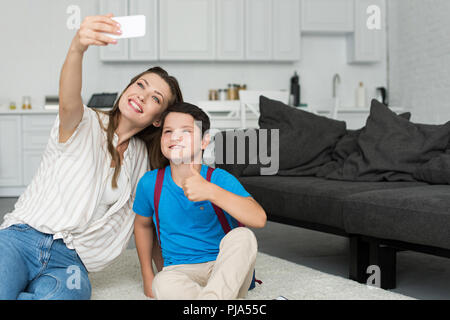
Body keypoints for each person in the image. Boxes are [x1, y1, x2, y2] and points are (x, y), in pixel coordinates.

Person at [0, 14, 182, 300]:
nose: (143, 96)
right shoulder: (85, 122)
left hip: (70, 262)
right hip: (20, 238)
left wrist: (160, 278)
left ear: (158, 120)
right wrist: (78, 47)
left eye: (156, 98)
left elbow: (148, 223)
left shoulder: (143, 163)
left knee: (68, 296)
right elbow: (68, 99)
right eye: (140, 85)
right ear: (128, 88)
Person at [133, 103, 267, 299]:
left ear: (204, 142)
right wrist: (147, 275)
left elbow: (258, 218)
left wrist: (212, 192)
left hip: (223, 266)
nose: (175, 137)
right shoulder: (149, 183)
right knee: (162, 283)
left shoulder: (219, 179)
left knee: (243, 236)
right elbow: (142, 226)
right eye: (168, 131)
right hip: (179, 270)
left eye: (186, 131)